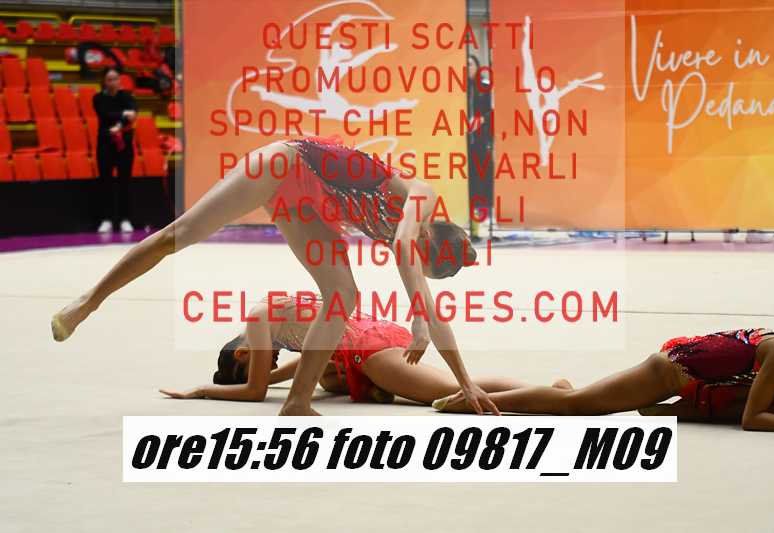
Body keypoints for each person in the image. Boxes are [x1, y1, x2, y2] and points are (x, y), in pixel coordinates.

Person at [51, 136, 499, 416]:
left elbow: (428, 303)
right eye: (423, 260)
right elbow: (404, 251)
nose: (415, 265)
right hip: (285, 162)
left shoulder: (412, 238)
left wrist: (465, 382)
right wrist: (417, 320)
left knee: (342, 294)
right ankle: (89, 301)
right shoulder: (422, 196)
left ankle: (297, 401)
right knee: (180, 233)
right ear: (431, 235)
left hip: (310, 201)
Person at [159, 293, 527, 405]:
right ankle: (376, 387)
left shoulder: (258, 321)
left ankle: (542, 393)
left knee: (452, 392)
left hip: (368, 348)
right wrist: (266, 378)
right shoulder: (273, 313)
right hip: (368, 339)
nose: (272, 363)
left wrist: (203, 390)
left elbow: (255, 390)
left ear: (243, 354)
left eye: (262, 364)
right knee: (328, 379)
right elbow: (309, 362)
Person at [434, 328, 774, 431]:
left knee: (576, 396)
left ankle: (561, 388)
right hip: (668, 373)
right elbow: (753, 419)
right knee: (573, 407)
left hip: (690, 370)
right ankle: (473, 402)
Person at [93, 67, 137, 233]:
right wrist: (124, 114)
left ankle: (125, 219)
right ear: (104, 81)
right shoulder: (98, 98)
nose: (113, 82)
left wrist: (120, 124)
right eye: (110, 79)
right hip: (105, 144)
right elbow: (105, 115)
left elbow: (133, 114)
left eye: (116, 78)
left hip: (124, 144)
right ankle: (107, 219)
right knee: (106, 182)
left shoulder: (127, 96)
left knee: (125, 181)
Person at [466, 54, 494, 240]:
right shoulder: (458, 88)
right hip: (463, 141)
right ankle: (472, 225)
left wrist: (481, 120)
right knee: (469, 180)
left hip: (481, 139)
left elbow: (493, 111)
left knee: (482, 177)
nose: (468, 67)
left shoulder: (484, 86)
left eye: (470, 64)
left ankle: (484, 220)